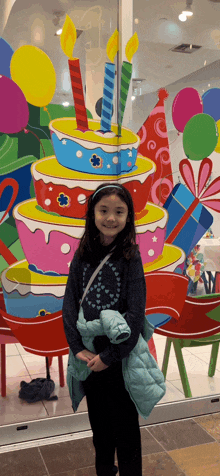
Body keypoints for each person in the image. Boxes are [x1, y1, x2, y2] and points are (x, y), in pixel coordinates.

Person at [62, 183, 146, 476]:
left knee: (125, 425)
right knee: (99, 425)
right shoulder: (82, 253)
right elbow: (69, 303)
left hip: (120, 358)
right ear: (92, 213)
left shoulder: (131, 257)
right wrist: (77, 347)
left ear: (128, 217)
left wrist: (111, 356)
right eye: (104, 210)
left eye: (119, 212)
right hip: (88, 354)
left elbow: (136, 315)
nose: (111, 218)